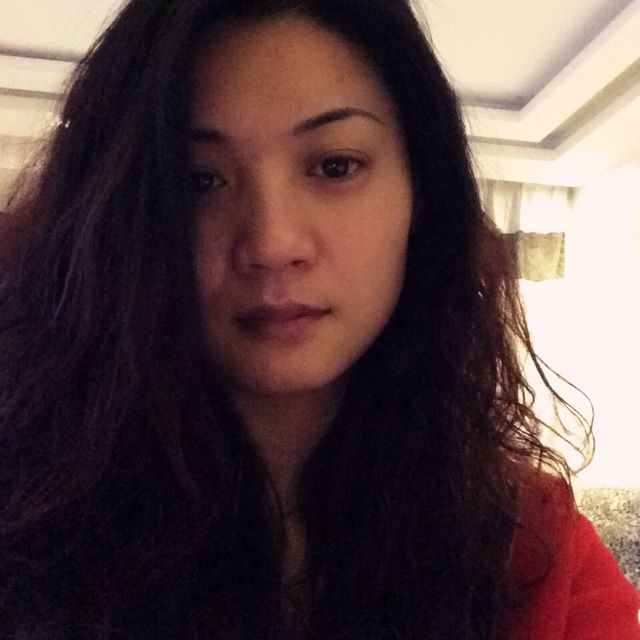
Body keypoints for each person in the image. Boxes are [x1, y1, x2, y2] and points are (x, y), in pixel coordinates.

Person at [0, 0, 638, 638]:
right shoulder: (23, 520)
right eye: (198, 180)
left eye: (336, 166)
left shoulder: (532, 548)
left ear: (422, 196)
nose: (272, 243)